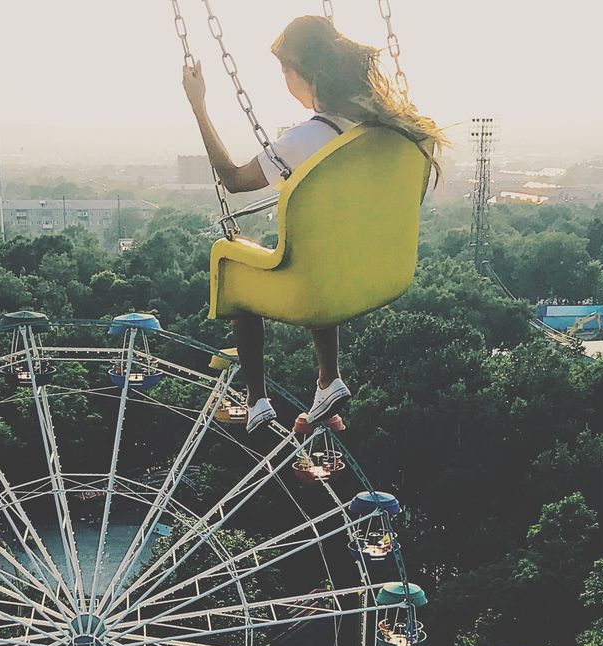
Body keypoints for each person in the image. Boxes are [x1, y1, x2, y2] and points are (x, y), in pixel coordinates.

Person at [183, 15, 447, 432]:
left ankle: (257, 398)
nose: (284, 79)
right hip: (379, 269)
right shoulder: (390, 127)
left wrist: (198, 105)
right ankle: (328, 379)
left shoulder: (305, 140)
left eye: (285, 71)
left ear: (306, 76)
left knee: (231, 263)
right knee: (321, 245)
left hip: (319, 286)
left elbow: (234, 181)